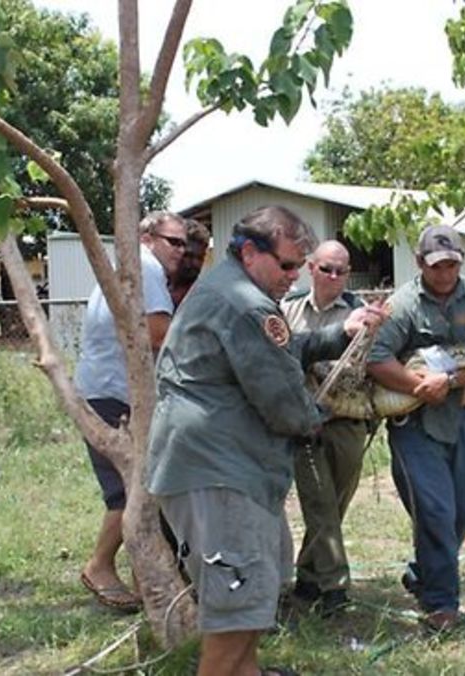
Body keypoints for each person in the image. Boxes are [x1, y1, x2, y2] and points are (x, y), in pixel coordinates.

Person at [145, 206, 386, 676]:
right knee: (234, 614)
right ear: (251, 251)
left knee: (254, 596)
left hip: (221, 471)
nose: (295, 276)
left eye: (301, 266)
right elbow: (282, 399)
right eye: (289, 265)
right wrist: (322, 415)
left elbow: (283, 349)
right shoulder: (244, 303)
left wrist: (341, 334)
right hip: (218, 476)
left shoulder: (232, 293)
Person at [366, 224, 465, 633]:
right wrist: (419, 386)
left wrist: (452, 382)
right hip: (416, 425)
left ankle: (423, 570)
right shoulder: (401, 305)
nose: (444, 273)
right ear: (420, 263)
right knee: (435, 511)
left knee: (463, 505)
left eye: (452, 264)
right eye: (436, 265)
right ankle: (442, 603)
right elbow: (376, 358)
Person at [74, 211, 186, 613]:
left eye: (184, 244)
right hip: (114, 395)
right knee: (131, 493)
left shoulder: (125, 268)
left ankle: (145, 580)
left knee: (138, 489)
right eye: (174, 241)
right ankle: (100, 566)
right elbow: (158, 334)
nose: (181, 251)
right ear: (147, 237)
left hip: (103, 390)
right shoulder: (146, 266)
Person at [280, 240, 369, 618]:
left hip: (348, 423)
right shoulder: (287, 309)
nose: (334, 277)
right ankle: (335, 588)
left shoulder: (360, 312)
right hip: (304, 427)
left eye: (341, 271)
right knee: (318, 504)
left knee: (334, 507)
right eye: (326, 269)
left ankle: (308, 578)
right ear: (310, 268)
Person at [169, 219, 210, 307]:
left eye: (200, 257)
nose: (194, 263)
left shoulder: (206, 296)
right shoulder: (155, 286)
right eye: (188, 256)